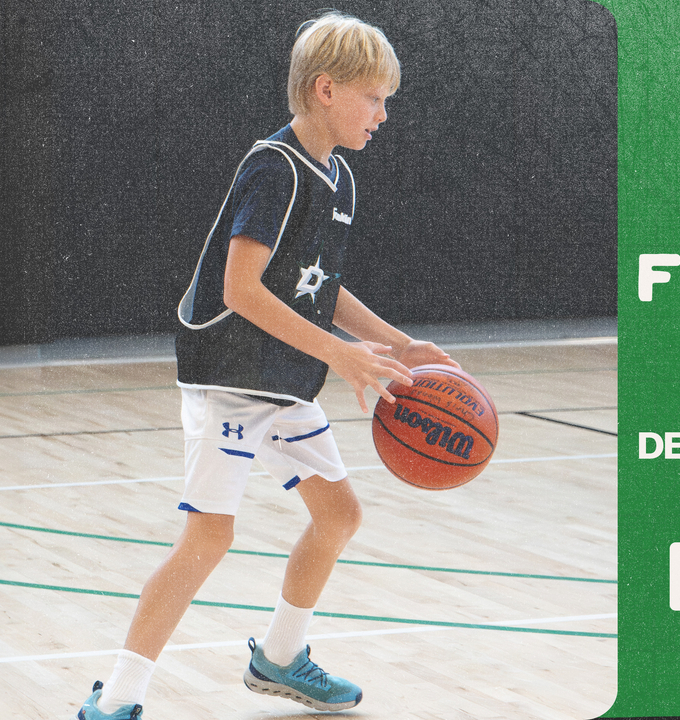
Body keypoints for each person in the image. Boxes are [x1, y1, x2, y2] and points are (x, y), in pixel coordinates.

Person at [74, 11, 456, 719]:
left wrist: (397, 344)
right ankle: (117, 699)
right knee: (209, 538)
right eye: (374, 98)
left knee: (338, 515)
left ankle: (279, 659)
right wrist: (339, 353)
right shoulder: (273, 167)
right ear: (326, 90)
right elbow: (240, 289)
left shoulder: (339, 178)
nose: (383, 114)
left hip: (281, 377)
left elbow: (320, 286)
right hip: (228, 377)